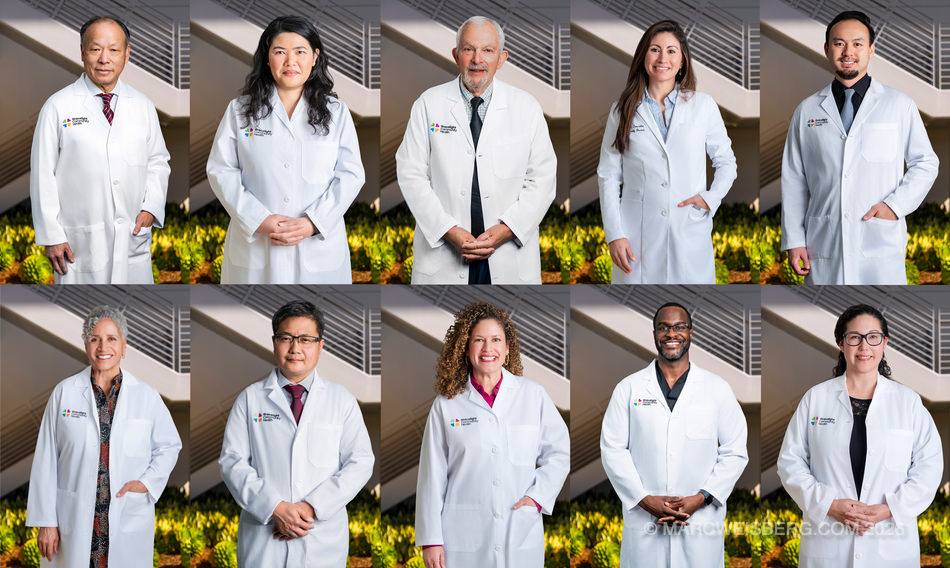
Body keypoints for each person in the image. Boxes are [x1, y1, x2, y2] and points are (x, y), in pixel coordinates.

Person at [396, 16, 557, 285]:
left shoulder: (526, 107)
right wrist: (448, 230)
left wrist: (507, 229)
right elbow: (410, 173)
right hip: (445, 253)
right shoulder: (429, 104)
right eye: (469, 49)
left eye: (488, 50)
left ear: (502, 58)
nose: (477, 59)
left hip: (507, 252)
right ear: (456, 55)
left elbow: (543, 179)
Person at [777, 305, 942, 566]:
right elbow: (790, 463)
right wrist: (829, 505)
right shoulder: (816, 399)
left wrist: (889, 510)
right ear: (842, 344)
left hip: (889, 542)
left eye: (873, 337)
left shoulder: (907, 402)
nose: (864, 346)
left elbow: (929, 467)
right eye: (854, 337)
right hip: (829, 543)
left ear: (884, 342)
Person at [781, 10, 938, 285]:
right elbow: (794, 179)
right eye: (839, 43)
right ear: (827, 50)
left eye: (857, 43)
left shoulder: (898, 104)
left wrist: (894, 206)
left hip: (879, 244)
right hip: (824, 245)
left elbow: (926, 163)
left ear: (871, 50)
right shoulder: (806, 110)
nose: (848, 52)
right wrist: (794, 240)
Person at [207, 16, 365, 284]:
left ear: (315, 57)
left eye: (300, 52)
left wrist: (312, 223)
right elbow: (221, 170)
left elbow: (350, 176)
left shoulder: (337, 113)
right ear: (267, 59)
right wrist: (259, 219)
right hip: (257, 244)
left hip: (317, 248)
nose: (290, 62)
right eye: (280, 52)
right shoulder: (239, 110)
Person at [219, 300, 374, 567]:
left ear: (320, 345)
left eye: (305, 339)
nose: (295, 348)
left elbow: (360, 462)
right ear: (274, 341)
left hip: (321, 539)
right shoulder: (250, 399)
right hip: (265, 539)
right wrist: (274, 508)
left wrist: (311, 508)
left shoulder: (341, 400)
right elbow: (232, 462)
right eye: (286, 338)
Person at [415, 302, 569, 568]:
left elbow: (559, 453)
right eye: (479, 340)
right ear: (465, 348)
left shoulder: (533, 395)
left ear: (508, 348)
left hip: (519, 529)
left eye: (496, 340)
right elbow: (432, 475)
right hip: (462, 534)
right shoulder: (447, 404)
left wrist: (537, 497)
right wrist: (431, 540)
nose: (488, 349)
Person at [26, 306, 182, 567]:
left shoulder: (146, 395)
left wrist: (147, 482)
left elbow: (170, 446)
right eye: (95, 338)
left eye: (111, 339)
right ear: (86, 344)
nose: (102, 347)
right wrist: (46, 522)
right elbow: (46, 458)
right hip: (72, 520)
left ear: (124, 346)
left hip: (125, 517)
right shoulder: (65, 393)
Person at [600, 302, 748, 567]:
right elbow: (613, 450)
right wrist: (646, 501)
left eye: (679, 327)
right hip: (646, 524)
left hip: (699, 522)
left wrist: (700, 499)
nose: (671, 334)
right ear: (655, 334)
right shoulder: (629, 389)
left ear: (691, 333)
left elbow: (735, 451)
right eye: (664, 328)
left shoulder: (717, 389)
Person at [30, 16, 170, 285]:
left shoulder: (142, 106)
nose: (104, 58)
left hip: (132, 237)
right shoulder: (58, 106)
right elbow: (42, 173)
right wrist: (51, 235)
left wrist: (151, 208)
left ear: (127, 54)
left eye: (114, 50)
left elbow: (158, 161)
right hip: (78, 242)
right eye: (95, 49)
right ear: (82, 53)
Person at [597, 20, 736, 284]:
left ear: (683, 60)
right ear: (643, 57)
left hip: (688, 230)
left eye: (672, 51)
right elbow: (608, 176)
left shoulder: (703, 106)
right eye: (655, 49)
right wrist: (615, 234)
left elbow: (727, 163)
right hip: (637, 235)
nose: (663, 58)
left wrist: (710, 198)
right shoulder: (622, 109)